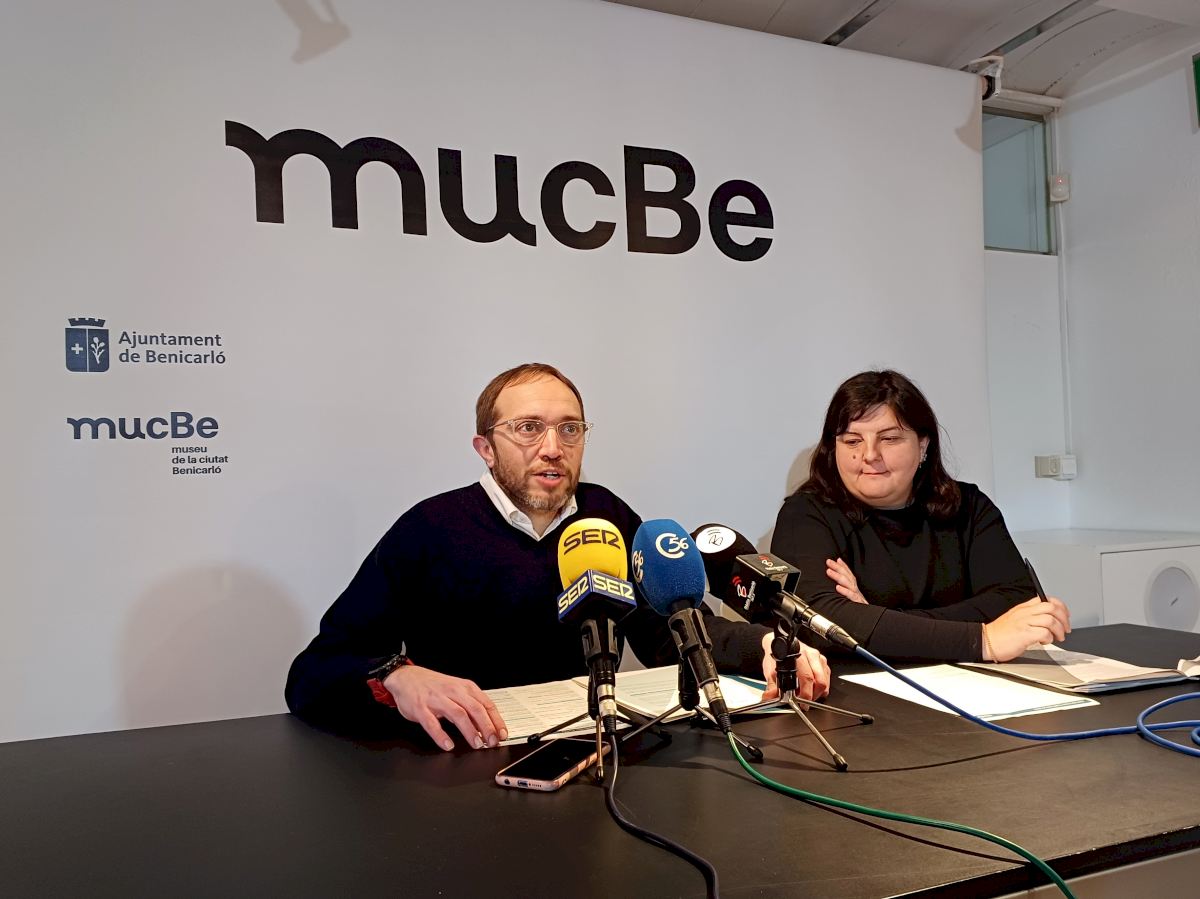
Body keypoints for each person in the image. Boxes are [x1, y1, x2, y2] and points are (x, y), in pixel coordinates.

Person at [287, 362, 831, 750]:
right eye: (529, 429)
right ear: (485, 448)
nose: (553, 447)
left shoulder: (605, 515)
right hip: (466, 768)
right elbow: (313, 673)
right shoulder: (429, 529)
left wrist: (764, 644)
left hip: (589, 755)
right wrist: (398, 675)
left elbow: (668, 630)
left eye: (569, 429)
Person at [771, 369, 1071, 662]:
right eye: (852, 441)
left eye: (889, 439)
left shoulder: (969, 506)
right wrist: (982, 639)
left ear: (923, 444)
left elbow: (1017, 601)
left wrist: (876, 618)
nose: (870, 455)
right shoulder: (805, 516)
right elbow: (817, 622)